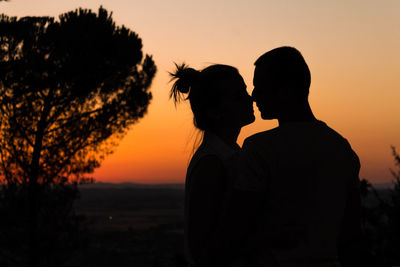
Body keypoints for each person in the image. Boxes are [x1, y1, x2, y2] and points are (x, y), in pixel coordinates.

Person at [216, 47, 361, 267]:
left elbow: (234, 233)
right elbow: (351, 238)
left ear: (286, 89)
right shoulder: (342, 149)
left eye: (260, 86)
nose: (254, 95)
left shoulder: (258, 149)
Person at [169, 63, 255, 266]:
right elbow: (201, 249)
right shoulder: (212, 164)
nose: (249, 98)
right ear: (214, 112)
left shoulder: (228, 156)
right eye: (238, 95)